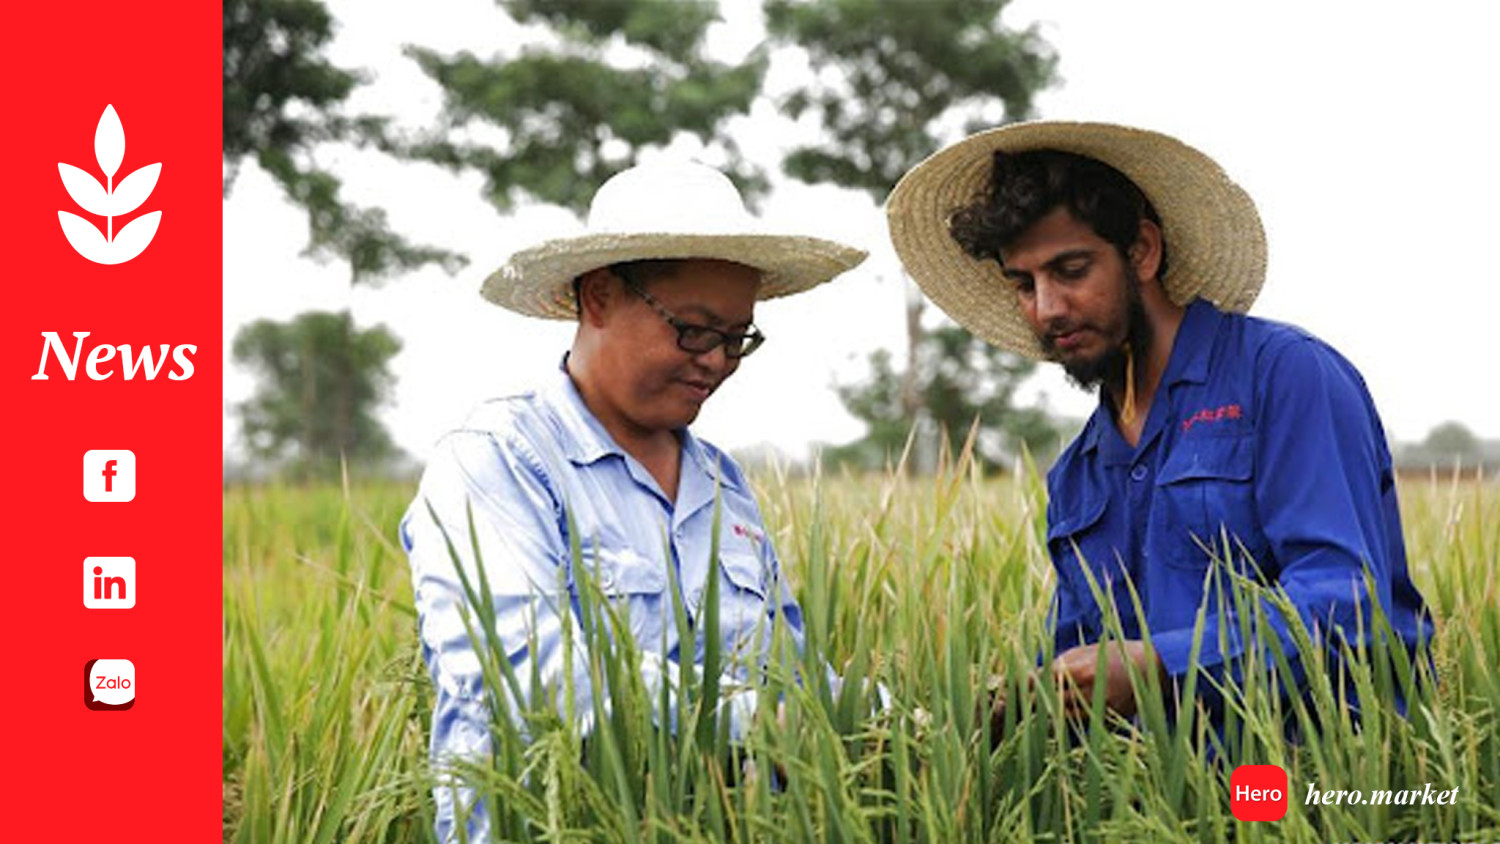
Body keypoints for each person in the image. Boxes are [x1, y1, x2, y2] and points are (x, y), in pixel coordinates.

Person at [886, 121, 1431, 725]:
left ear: (1142, 251)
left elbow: (1346, 602)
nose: (1047, 308)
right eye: (1024, 283)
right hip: (1158, 802)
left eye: (1071, 270)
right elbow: (1079, 666)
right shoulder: (1079, 473)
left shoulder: (1286, 377)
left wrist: (1160, 665)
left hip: (1309, 789)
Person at [400, 160, 866, 841]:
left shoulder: (724, 487)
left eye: (737, 339)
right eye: (696, 329)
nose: (715, 362)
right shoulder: (497, 461)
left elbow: (791, 677)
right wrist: (757, 721)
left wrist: (907, 716)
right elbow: (530, 675)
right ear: (598, 297)